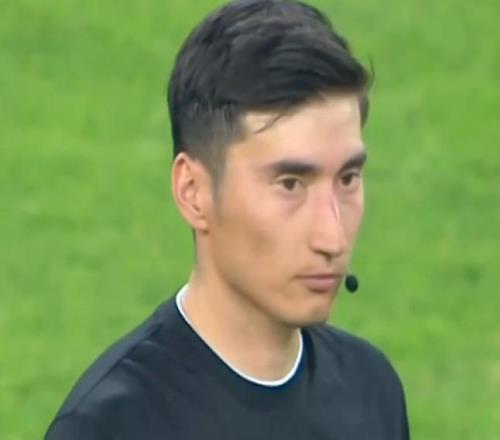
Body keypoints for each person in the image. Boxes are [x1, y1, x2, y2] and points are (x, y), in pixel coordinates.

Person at [45, 1, 410, 438]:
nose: (333, 238)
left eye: (347, 178)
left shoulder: (371, 390)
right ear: (193, 192)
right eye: (290, 184)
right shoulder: (113, 426)